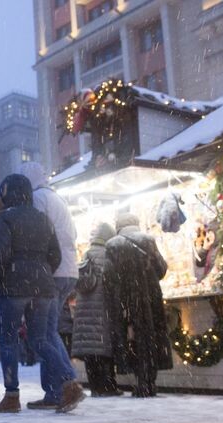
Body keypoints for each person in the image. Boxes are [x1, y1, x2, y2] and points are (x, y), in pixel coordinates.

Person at [0, 174, 84, 414]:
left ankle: (11, 396)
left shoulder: (5, 218)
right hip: (43, 287)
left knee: (8, 340)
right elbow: (56, 256)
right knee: (40, 339)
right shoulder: (43, 219)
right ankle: (68, 382)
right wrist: (40, 273)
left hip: (13, 287)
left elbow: (0, 254)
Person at [19, 162, 81, 407]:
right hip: (69, 271)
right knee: (49, 332)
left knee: (42, 335)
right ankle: (54, 392)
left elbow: (37, 234)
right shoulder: (58, 199)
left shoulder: (37, 198)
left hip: (51, 272)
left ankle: (68, 383)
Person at [107, 213, 173, 397]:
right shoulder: (148, 240)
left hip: (125, 300)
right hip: (150, 298)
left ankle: (139, 378)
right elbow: (161, 268)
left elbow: (109, 276)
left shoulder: (113, 245)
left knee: (131, 337)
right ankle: (149, 380)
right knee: (150, 336)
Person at [72, 222, 122, 397]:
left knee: (91, 353)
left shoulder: (85, 256)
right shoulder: (108, 256)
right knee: (105, 351)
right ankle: (108, 386)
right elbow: (114, 285)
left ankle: (95, 387)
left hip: (84, 312)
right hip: (102, 310)